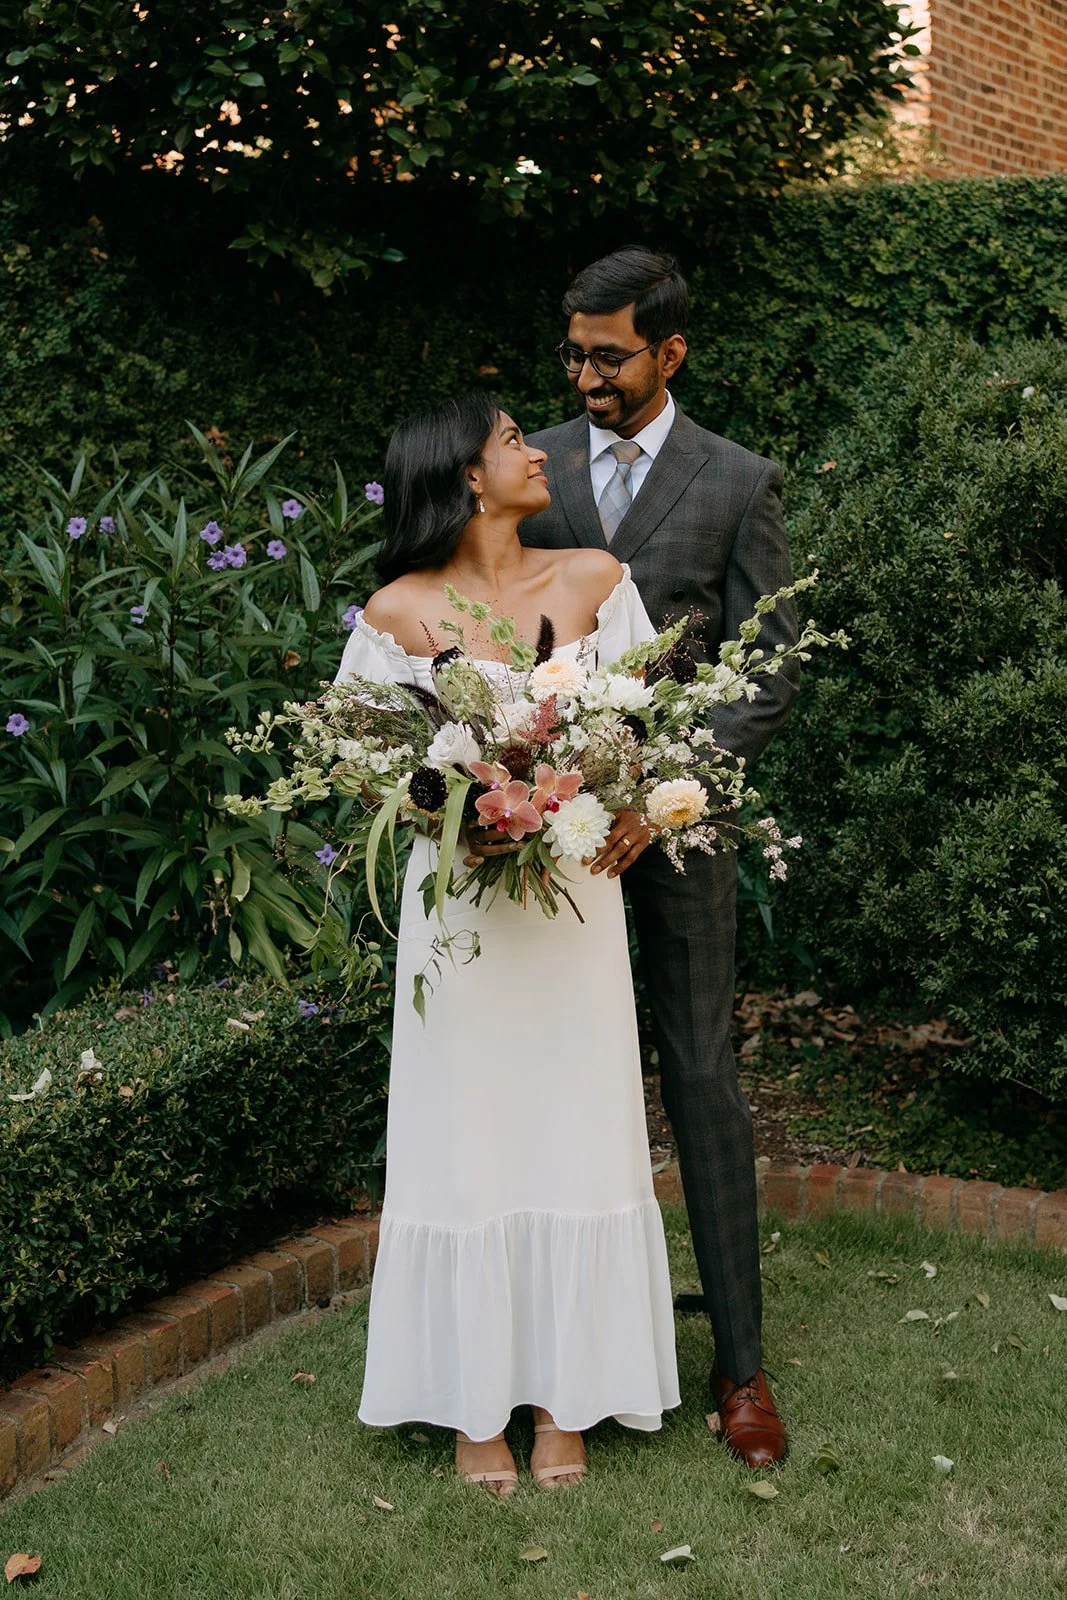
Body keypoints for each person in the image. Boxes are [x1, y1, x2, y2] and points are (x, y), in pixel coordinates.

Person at [335, 392, 680, 1495]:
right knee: (468, 1135)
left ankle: (562, 1400)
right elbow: (362, 768)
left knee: (575, 1126)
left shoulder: (593, 580)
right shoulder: (395, 611)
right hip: (463, 918)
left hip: (575, 898)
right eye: (511, 441)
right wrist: (460, 813)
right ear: (469, 478)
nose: (537, 452)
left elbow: (642, 734)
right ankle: (475, 1404)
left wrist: (632, 804)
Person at [520, 247, 800, 1468]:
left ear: (667, 353)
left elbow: (773, 661)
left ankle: (737, 1368)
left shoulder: (738, 482)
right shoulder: (523, 472)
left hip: (678, 834)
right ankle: (544, 1361)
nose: (582, 373)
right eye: (572, 351)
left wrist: (667, 797)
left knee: (700, 1079)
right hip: (546, 841)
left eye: (607, 354)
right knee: (548, 1087)